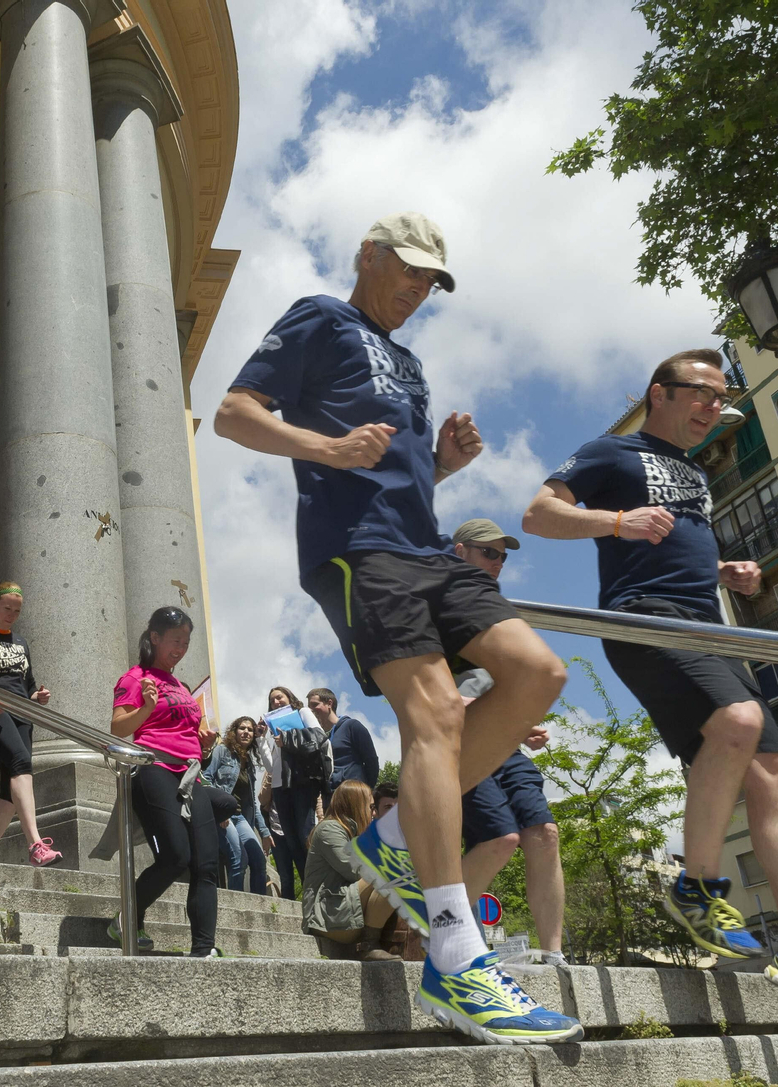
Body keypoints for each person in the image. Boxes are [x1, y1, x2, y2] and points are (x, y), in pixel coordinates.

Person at [215, 210, 580, 1043]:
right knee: (438, 714)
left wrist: (444, 462)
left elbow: (399, 475)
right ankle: (455, 956)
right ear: (369, 255)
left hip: (427, 548)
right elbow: (235, 412)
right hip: (356, 550)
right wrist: (328, 448)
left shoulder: (410, 364)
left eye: (431, 280)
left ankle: (390, 838)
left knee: (538, 673)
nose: (418, 288)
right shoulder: (320, 316)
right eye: (408, 269)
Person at [523, 347, 778, 1022]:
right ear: (659, 393)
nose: (712, 408)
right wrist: (617, 521)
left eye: (720, 399)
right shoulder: (613, 452)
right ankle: (696, 887)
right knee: (739, 721)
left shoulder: (695, 472)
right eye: (701, 393)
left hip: (710, 627)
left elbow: (678, 549)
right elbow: (538, 514)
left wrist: (724, 571)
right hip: (645, 619)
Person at [449, 518, 567, 966]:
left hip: (505, 740)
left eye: (502, 555)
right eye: (489, 552)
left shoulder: (497, 610)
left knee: (545, 834)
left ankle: (553, 953)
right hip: (457, 738)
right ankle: (442, 928)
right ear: (460, 551)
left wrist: (524, 722)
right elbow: (421, 682)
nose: (499, 562)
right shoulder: (439, 600)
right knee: (499, 839)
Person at [109, 606, 235, 957]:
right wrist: (146, 708)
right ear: (155, 637)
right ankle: (127, 918)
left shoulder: (180, 685)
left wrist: (204, 743)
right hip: (154, 768)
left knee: (206, 864)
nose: (181, 648)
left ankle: (204, 949)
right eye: (175, 640)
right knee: (176, 856)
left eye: (186, 642)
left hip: (190, 773)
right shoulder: (135, 678)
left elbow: (188, 734)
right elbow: (118, 728)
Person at [0, 582, 61, 867]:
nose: (12, 615)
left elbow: (27, 685)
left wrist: (39, 696)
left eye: (17, 611)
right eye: (7, 608)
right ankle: (36, 844)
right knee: (21, 763)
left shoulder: (21, 642)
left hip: (21, 713)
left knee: (10, 790)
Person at [303, 780, 399, 961]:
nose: (374, 813)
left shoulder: (353, 831)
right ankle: (369, 945)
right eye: (371, 807)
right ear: (356, 804)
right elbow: (354, 871)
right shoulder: (329, 829)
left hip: (342, 909)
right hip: (325, 916)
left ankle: (381, 944)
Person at [264, 685, 331, 900]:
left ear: (289, 698)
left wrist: (288, 739)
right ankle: (309, 891)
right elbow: (271, 765)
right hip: (280, 787)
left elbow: (319, 736)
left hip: (301, 782)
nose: (276, 702)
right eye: (272, 700)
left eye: (280, 697)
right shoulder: (271, 725)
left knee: (304, 836)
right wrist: (261, 739)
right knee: (292, 842)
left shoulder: (302, 712)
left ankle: (319, 889)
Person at [204, 716, 272, 894]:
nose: (246, 732)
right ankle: (237, 903)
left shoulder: (249, 764)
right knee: (239, 859)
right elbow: (206, 779)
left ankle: (260, 905)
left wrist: (264, 832)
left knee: (259, 861)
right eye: (242, 728)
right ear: (234, 732)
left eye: (250, 730)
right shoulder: (222, 751)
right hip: (223, 815)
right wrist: (220, 809)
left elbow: (252, 802)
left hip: (240, 817)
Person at [308, 687, 378, 804]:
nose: (311, 710)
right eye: (309, 707)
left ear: (329, 703)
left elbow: (371, 761)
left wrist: (366, 790)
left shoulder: (351, 726)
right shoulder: (321, 738)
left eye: (315, 705)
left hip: (354, 795)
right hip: (330, 798)